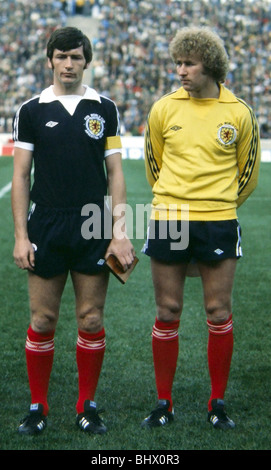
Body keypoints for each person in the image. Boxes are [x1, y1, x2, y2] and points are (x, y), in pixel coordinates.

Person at [12, 26, 135, 435]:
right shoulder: (31, 110)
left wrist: (119, 231)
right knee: (43, 319)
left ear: (86, 61)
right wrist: (20, 236)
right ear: (50, 60)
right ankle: (38, 406)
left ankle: (87, 406)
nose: (68, 64)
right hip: (45, 222)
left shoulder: (105, 108)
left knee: (90, 318)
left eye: (76, 57)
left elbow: (115, 172)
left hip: (93, 221)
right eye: (61, 56)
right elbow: (21, 175)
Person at [141, 26, 261, 430]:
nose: (180, 71)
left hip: (218, 221)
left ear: (209, 65)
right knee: (167, 310)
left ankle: (217, 403)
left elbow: (248, 174)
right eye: (178, 63)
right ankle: (163, 402)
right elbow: (153, 164)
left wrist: (217, 203)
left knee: (217, 310)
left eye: (188, 63)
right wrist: (175, 201)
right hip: (169, 217)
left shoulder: (239, 112)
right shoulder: (163, 109)